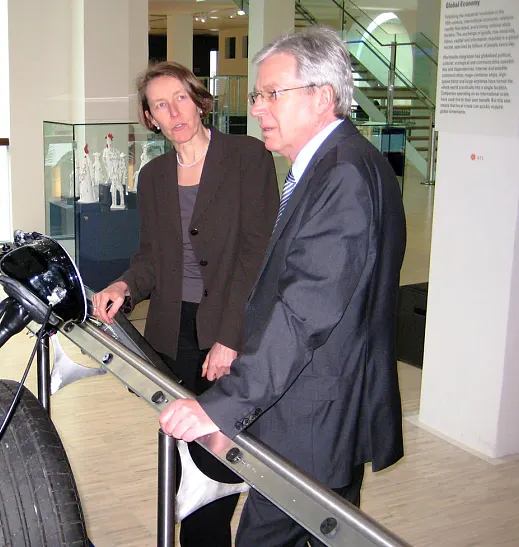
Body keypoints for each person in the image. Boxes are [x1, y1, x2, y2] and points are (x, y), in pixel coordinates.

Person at [159, 25, 407, 547]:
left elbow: (304, 311)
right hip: (316, 409)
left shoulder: (342, 175)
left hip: (311, 417)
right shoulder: (336, 164)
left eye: (273, 94)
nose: (258, 109)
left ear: (322, 97)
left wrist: (221, 404)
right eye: (257, 95)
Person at [92, 61, 279, 546]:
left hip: (228, 329)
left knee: (213, 465)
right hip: (174, 334)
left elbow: (257, 256)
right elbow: (152, 259)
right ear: (150, 118)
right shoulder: (153, 176)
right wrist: (123, 286)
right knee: (180, 460)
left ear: (198, 99)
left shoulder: (248, 157)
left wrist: (230, 337)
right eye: (159, 104)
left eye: (179, 97)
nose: (173, 111)